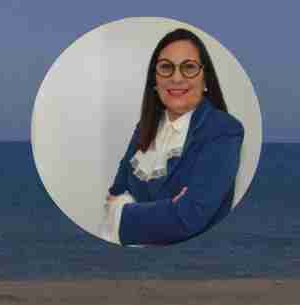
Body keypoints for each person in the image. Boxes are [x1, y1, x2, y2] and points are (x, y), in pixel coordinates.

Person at [102, 28, 244, 247]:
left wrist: (123, 211)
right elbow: (114, 195)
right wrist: (167, 208)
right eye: (166, 68)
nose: (176, 78)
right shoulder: (144, 128)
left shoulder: (223, 130)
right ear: (155, 80)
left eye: (189, 67)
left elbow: (189, 218)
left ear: (206, 79)